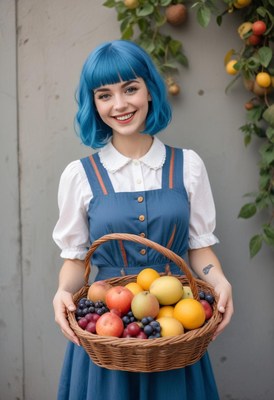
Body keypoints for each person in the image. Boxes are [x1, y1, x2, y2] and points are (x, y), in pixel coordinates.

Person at [52, 39, 233, 400]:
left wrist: (220, 280)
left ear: (149, 90)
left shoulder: (188, 167)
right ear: (94, 103)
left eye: (130, 88)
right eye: (104, 95)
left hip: (176, 327)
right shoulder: (79, 175)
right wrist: (62, 293)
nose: (119, 105)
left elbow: (199, 249)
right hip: (107, 332)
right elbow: (76, 259)